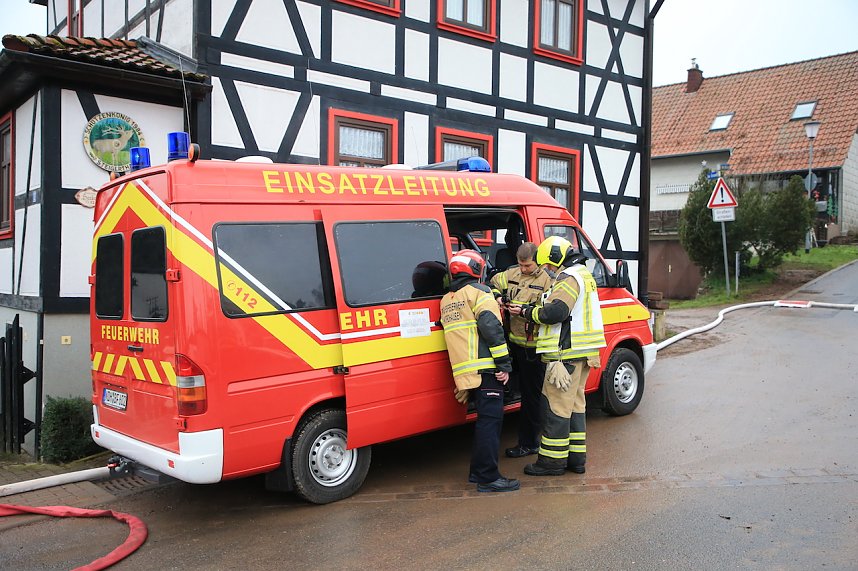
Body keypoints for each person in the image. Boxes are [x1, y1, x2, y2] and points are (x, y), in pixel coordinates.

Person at [508, 236, 606, 476]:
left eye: (550, 266)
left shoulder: (568, 278)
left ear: (555, 258)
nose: (550, 271)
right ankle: (575, 459)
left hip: (565, 355)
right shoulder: (584, 276)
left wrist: (527, 311)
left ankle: (551, 462)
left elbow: (556, 312)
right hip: (582, 352)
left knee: (556, 406)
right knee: (575, 405)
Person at [439, 249, 520, 493]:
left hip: (465, 372)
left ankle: (477, 472)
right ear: (476, 270)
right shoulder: (480, 293)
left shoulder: (447, 300)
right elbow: (492, 330)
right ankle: (488, 478)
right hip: (487, 369)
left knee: (483, 423)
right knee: (490, 424)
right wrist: (505, 366)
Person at [489, 242, 551, 458]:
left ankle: (530, 443)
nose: (524, 269)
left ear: (538, 261)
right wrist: (497, 296)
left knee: (531, 397)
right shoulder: (511, 273)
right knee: (512, 387)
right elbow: (494, 282)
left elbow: (549, 311)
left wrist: (524, 311)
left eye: (528, 266)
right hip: (514, 342)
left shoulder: (547, 280)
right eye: (521, 265)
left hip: (534, 347)